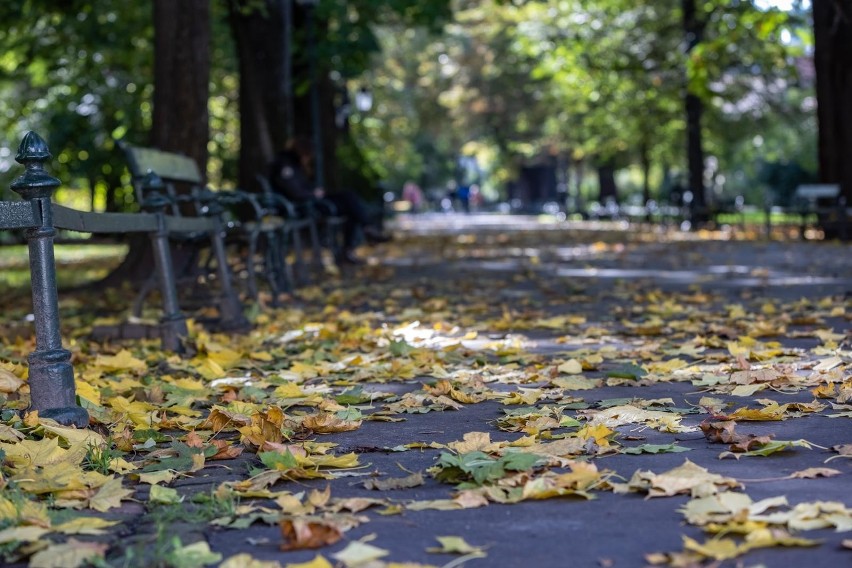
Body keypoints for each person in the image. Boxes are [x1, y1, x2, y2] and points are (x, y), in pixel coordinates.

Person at [268, 139, 389, 264]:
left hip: (310, 202)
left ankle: (361, 233)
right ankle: (364, 230)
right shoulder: (286, 165)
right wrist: (313, 194)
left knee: (349, 200)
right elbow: (295, 192)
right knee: (350, 204)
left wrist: (314, 191)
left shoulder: (295, 165)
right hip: (302, 206)